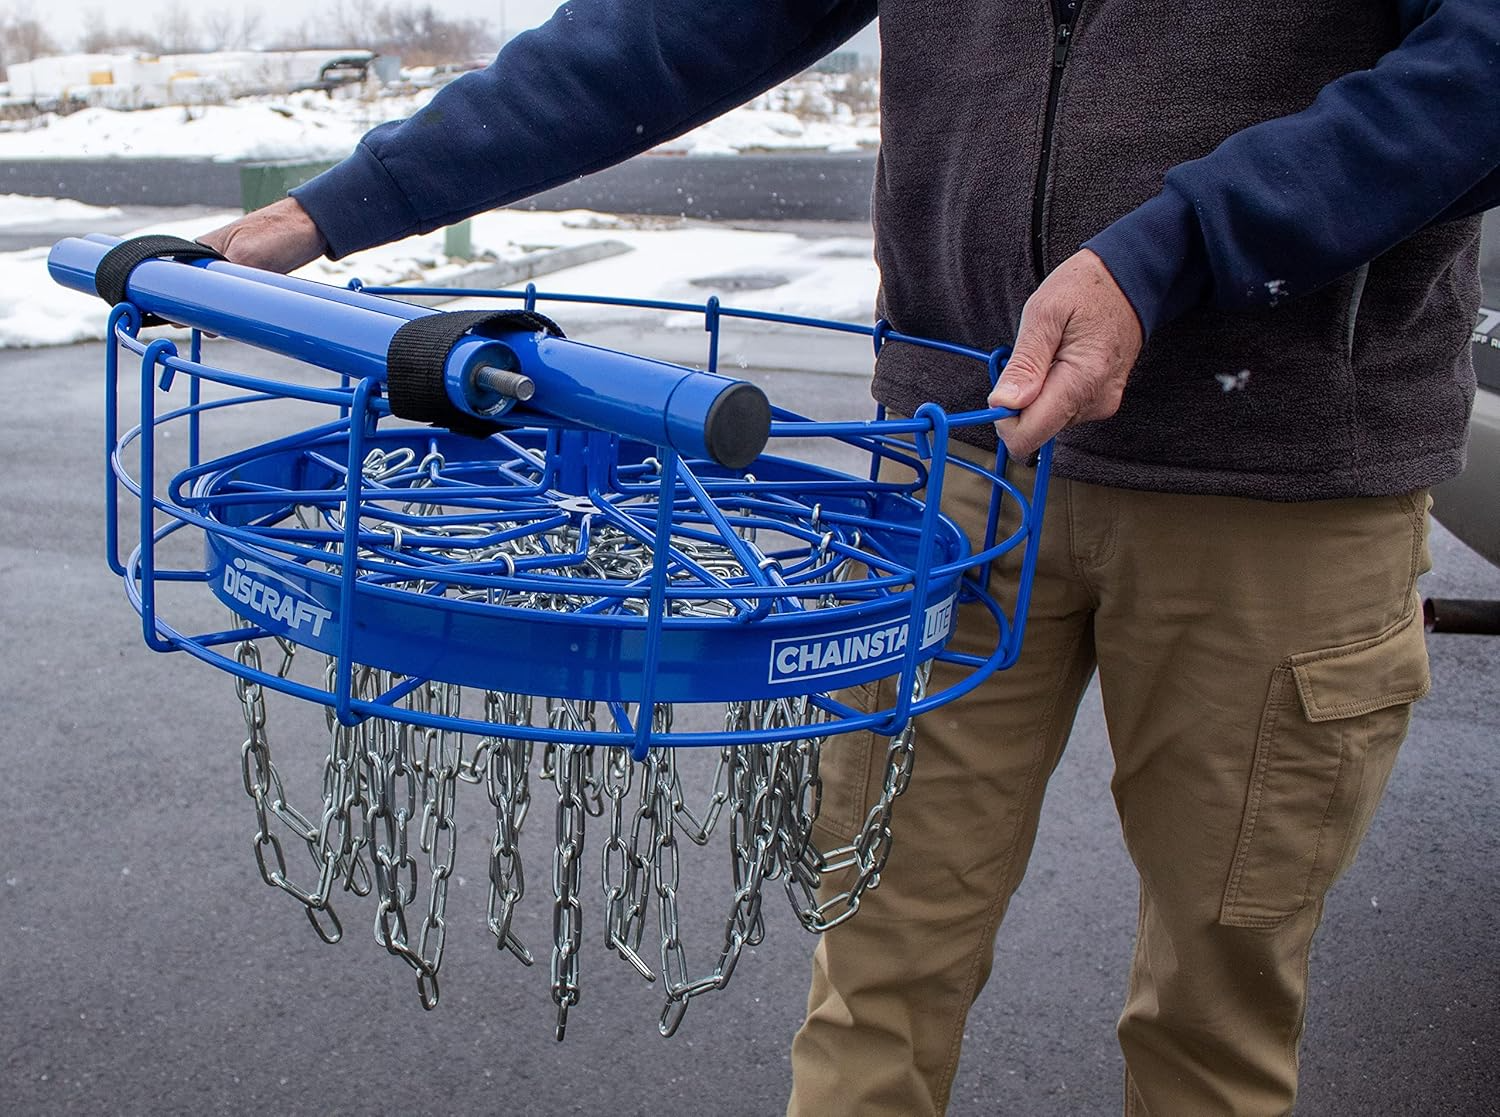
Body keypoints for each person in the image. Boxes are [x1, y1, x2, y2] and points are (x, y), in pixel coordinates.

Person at [200, 2, 1500, 1112]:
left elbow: (1479, 69)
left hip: (1277, 473)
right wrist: (324, 214)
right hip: (954, 468)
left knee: (1217, 1007)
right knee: (878, 963)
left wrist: (1173, 249)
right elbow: (660, 36)